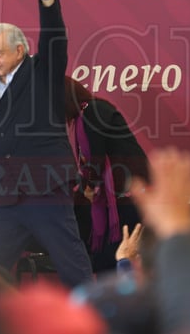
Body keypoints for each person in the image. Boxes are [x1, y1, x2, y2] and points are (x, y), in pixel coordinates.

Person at [0, 0, 93, 288]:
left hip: (46, 191)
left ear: (20, 51)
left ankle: (93, 317)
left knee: (72, 264)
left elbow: (55, 37)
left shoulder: (43, 72)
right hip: (5, 197)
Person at [65, 76, 149, 273]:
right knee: (106, 256)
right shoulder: (84, 115)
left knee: (114, 253)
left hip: (128, 192)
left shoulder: (92, 111)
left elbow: (96, 155)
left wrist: (89, 185)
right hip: (117, 194)